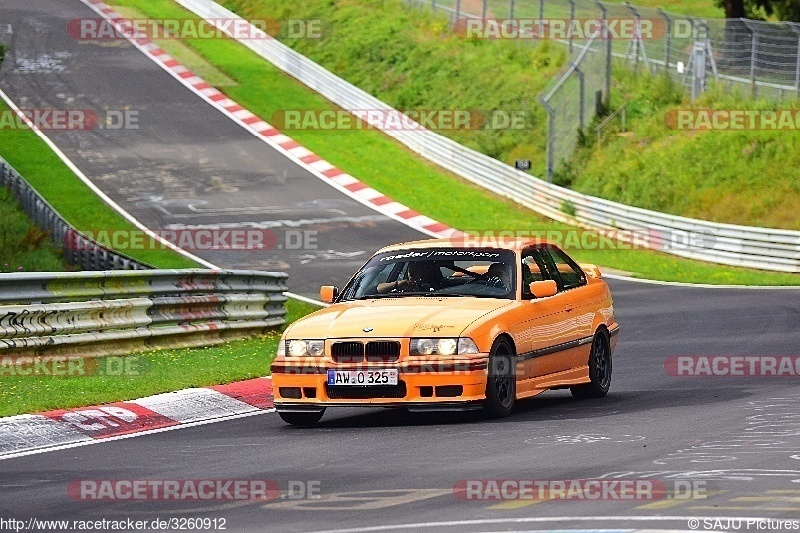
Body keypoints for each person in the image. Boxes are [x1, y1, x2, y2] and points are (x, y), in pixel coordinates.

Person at [377, 261, 442, 293]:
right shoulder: (404, 286)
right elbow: (375, 290)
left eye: (417, 270)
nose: (411, 273)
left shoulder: (443, 286)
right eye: (410, 270)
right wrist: (397, 284)